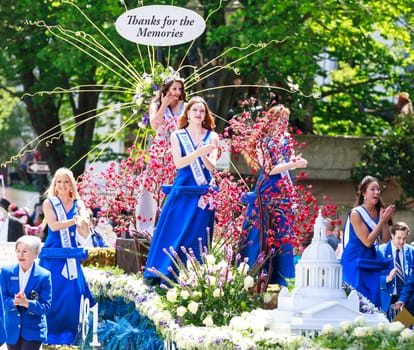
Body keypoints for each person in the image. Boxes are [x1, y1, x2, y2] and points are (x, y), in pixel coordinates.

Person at [144, 96, 219, 283]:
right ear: (188, 113)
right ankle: (161, 273)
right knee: (173, 232)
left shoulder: (213, 136)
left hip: (202, 195)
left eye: (202, 111)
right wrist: (198, 153)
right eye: (195, 110)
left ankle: (193, 277)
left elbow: (212, 168)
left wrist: (204, 156)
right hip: (182, 191)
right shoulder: (177, 135)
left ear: (205, 115)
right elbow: (179, 163)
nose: (198, 114)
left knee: (197, 235)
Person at [240, 105, 308, 287]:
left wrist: (294, 162)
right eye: (280, 120)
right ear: (271, 121)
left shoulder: (286, 141)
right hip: (267, 192)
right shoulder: (264, 142)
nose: (283, 124)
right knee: (260, 235)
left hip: (283, 193)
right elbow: (269, 169)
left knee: (283, 237)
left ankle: (284, 280)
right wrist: (293, 165)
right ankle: (253, 276)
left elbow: (287, 165)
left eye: (286, 120)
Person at [38, 167, 95, 345]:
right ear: (55, 185)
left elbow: (84, 232)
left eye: (66, 181)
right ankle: (49, 335)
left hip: (71, 257)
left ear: (72, 185)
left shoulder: (79, 204)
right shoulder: (49, 203)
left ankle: (71, 335)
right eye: (59, 181)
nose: (62, 185)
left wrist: (84, 221)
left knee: (72, 296)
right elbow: (54, 226)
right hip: (53, 257)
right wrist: (73, 221)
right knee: (51, 296)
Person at [136, 75, 187, 236]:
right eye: (174, 89)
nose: (177, 92)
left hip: (177, 149)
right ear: (166, 90)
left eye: (179, 89)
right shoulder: (156, 104)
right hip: (160, 149)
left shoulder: (185, 106)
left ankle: (173, 223)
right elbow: (154, 124)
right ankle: (147, 224)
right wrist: (163, 105)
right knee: (153, 186)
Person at [341, 175, 395, 308]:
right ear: (364, 193)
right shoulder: (356, 213)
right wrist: (382, 221)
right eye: (373, 189)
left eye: (378, 189)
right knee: (357, 299)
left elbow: (386, 239)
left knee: (373, 299)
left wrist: (385, 221)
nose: (377, 192)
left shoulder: (378, 211)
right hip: (355, 259)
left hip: (370, 259)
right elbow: (367, 242)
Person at [0, 235, 52, 350]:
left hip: (34, 330)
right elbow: (2, 299)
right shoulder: (6, 271)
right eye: (18, 251)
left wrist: (27, 303)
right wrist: (14, 301)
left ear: (36, 254)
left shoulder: (44, 275)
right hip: (12, 329)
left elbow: (46, 307)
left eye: (24, 251)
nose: (20, 254)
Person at [377, 222, 414, 320]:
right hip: (387, 299)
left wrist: (404, 299)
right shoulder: (380, 251)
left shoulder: (411, 251)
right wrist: (387, 278)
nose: (402, 241)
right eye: (398, 238)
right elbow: (372, 277)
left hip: (406, 300)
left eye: (404, 238)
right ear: (392, 235)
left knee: (405, 331)